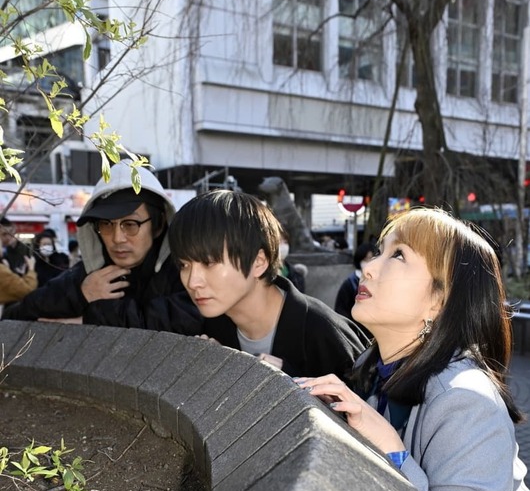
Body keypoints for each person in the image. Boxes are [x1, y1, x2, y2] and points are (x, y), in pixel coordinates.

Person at [295, 207, 530, 491]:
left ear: (438, 301)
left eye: (397, 256)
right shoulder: (376, 370)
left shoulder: (467, 400)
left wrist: (392, 451)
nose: (369, 266)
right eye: (379, 251)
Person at [168, 189, 366, 381]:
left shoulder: (324, 334)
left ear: (258, 262)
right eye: (184, 265)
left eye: (209, 263)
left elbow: (370, 408)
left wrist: (293, 382)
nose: (193, 281)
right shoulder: (213, 329)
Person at [3, 160, 202, 334]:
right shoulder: (90, 274)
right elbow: (17, 316)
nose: (117, 238)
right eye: (106, 224)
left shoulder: (184, 270)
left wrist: (91, 320)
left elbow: (189, 319)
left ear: (158, 225)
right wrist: (81, 295)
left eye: (130, 224)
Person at [334, 241, 375, 320]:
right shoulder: (350, 283)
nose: (369, 263)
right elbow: (341, 310)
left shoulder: (379, 281)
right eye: (366, 259)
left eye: (372, 259)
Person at [279, 227, 307, 293]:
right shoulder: (261, 275)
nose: (283, 246)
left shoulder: (297, 275)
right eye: (279, 242)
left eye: (285, 242)